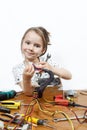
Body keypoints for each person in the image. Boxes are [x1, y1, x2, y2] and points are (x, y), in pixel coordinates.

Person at [12, 26, 72, 96]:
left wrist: (52, 69)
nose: (31, 48)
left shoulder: (47, 62)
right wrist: (26, 78)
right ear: (22, 43)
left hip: (51, 100)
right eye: (28, 43)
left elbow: (69, 76)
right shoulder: (18, 69)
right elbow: (28, 93)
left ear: (43, 50)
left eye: (37, 46)